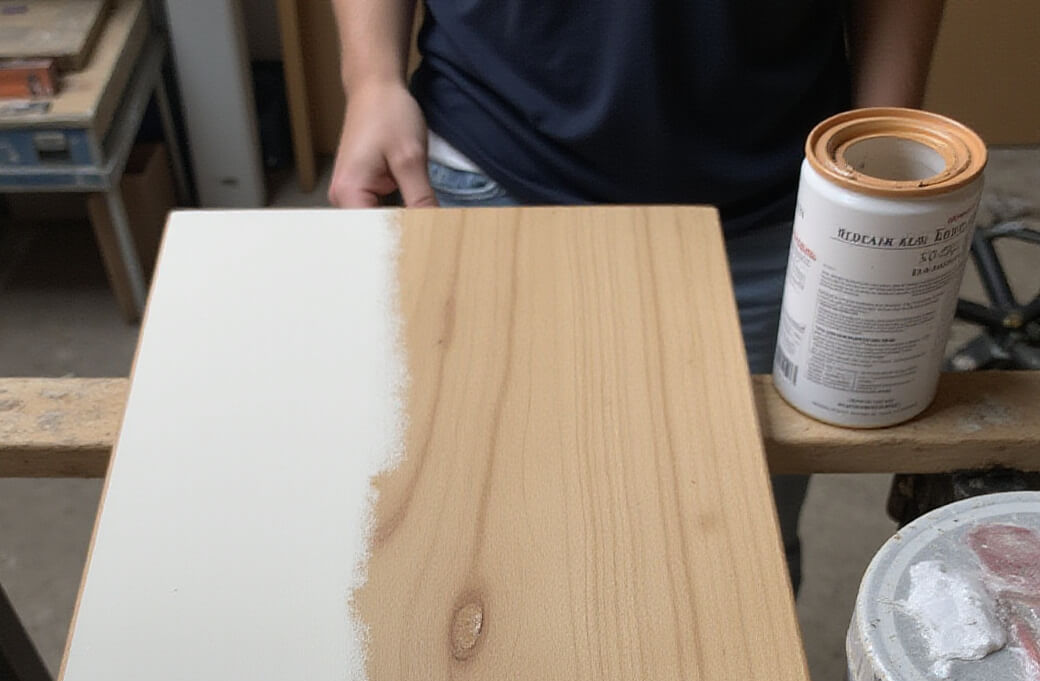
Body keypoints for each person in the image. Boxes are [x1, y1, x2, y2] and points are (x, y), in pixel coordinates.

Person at [327, 0, 947, 586]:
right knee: (485, 528)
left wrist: (877, 151)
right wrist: (371, 78)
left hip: (775, 205)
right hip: (493, 165)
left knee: (741, 545)